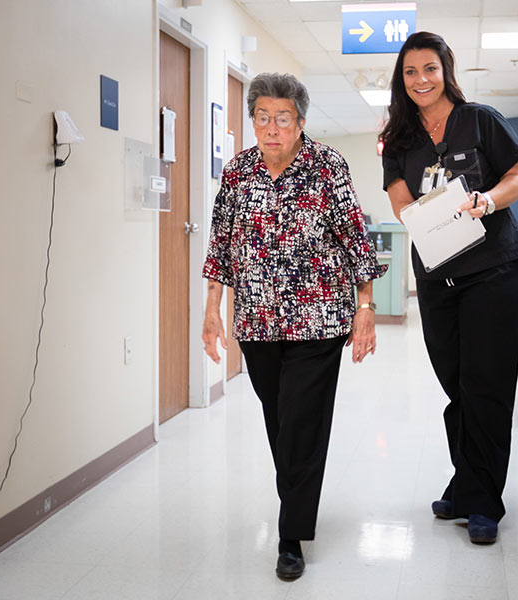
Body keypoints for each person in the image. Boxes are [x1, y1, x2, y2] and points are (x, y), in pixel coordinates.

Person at [202, 72, 387, 580]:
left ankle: (291, 535)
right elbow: (221, 244)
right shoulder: (238, 172)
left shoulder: (327, 166)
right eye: (262, 117)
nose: (271, 127)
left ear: (301, 122)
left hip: (318, 319)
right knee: (280, 420)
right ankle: (296, 499)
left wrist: (365, 308)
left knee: (301, 422)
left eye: (282, 118)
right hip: (257, 322)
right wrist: (211, 310)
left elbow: (355, 239)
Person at [380, 31, 518, 544]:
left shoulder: (480, 119)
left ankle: (484, 500)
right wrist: (429, 213)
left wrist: (486, 202)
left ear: (446, 69)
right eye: (410, 72)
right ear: (401, 80)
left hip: (494, 272)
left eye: (429, 68)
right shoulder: (398, 139)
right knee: (457, 386)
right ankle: (468, 481)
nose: (421, 79)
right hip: (439, 276)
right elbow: (401, 202)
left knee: (486, 385)